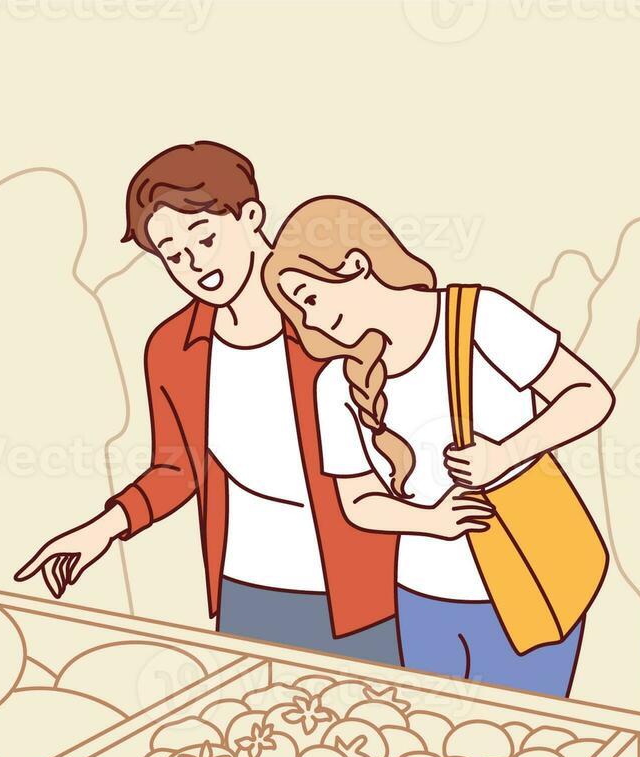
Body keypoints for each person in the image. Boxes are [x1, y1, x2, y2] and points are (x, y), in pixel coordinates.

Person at [15, 144, 399, 663]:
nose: (194, 264)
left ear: (251, 218)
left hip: (361, 592)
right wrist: (101, 530)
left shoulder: (331, 318)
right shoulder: (173, 347)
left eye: (206, 237)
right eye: (173, 254)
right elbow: (177, 468)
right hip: (247, 590)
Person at [262, 196, 615, 696]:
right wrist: (431, 521)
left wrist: (506, 455)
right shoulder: (337, 382)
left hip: (524, 582)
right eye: (296, 313)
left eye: (309, 298)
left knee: (522, 748)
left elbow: (590, 395)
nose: (309, 321)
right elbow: (358, 503)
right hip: (422, 598)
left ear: (355, 264)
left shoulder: (478, 316)